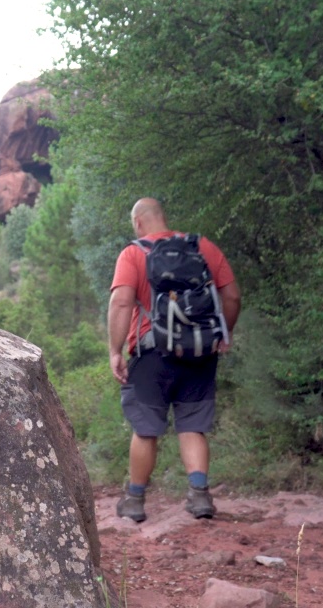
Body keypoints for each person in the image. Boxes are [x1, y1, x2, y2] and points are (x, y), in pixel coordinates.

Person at [108, 198, 241, 521]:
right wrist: (223, 333)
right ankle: (199, 498)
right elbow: (233, 295)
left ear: (138, 223)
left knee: (146, 429)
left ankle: (135, 501)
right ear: (163, 218)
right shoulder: (202, 246)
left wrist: (115, 351)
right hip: (200, 350)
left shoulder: (134, 253)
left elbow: (121, 303)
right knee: (193, 424)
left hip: (151, 352)